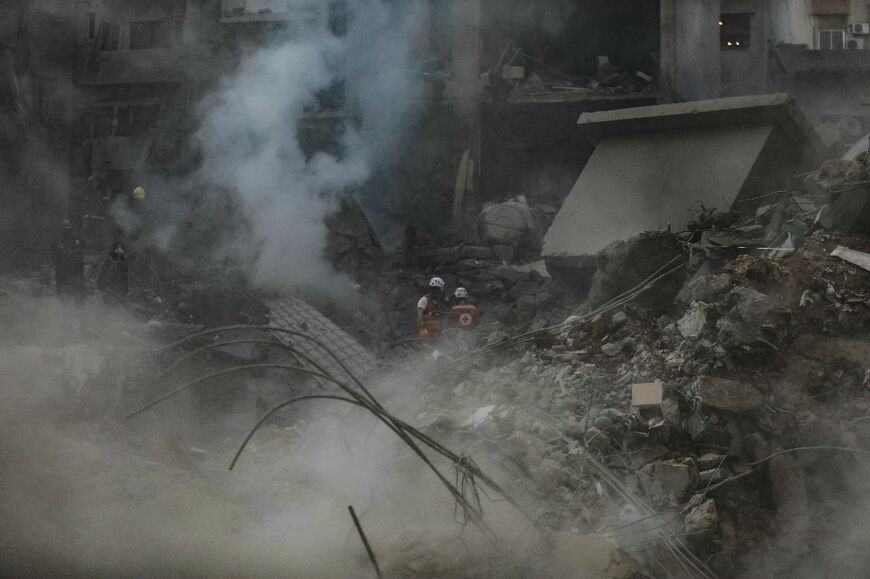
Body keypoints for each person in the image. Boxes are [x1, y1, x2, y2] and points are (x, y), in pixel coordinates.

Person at [51, 220, 86, 300]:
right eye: (64, 226)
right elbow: (53, 253)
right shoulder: (57, 240)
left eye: (67, 225)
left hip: (76, 270)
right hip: (62, 270)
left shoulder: (77, 238)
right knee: (62, 293)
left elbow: (83, 249)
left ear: (70, 226)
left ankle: (79, 306)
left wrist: (80, 259)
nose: (66, 228)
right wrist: (56, 263)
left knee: (78, 292)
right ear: (61, 227)